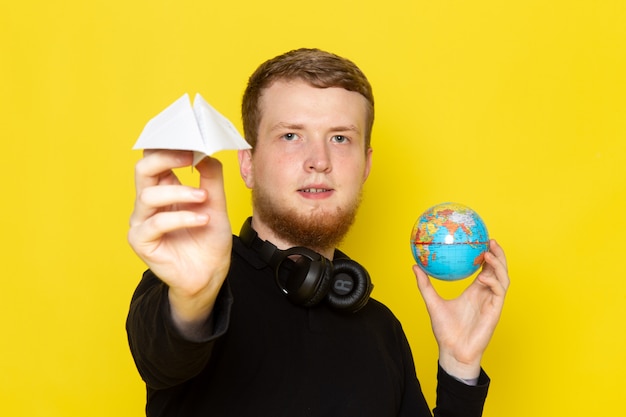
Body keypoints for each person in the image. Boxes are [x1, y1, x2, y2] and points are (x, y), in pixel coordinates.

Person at [126, 48, 510, 417]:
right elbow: (164, 356)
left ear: (365, 166)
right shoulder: (189, 284)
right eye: (291, 136)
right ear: (248, 164)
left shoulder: (382, 330)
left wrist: (460, 366)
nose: (319, 162)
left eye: (340, 138)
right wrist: (193, 299)